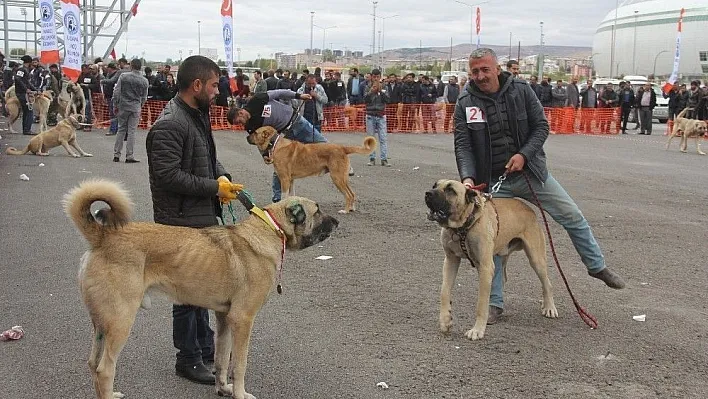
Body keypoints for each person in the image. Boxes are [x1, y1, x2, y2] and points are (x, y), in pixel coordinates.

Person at [453, 48, 625, 324]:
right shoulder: (465, 101)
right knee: (490, 240)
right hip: (494, 182)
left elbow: (541, 127)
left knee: (572, 216)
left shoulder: (521, 90)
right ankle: (495, 303)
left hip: (531, 172)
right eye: (475, 71)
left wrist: (524, 155)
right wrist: (468, 179)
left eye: (485, 69)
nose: (480, 76)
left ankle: (597, 266)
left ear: (497, 68)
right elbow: (463, 145)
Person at [146, 55, 242, 385]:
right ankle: (187, 359)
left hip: (199, 216)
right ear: (197, 85)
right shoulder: (172, 122)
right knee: (186, 296)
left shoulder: (195, 115)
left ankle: (203, 350)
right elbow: (168, 175)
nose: (219, 91)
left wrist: (223, 177)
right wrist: (214, 187)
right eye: (215, 85)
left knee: (201, 288)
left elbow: (206, 158)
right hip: (180, 221)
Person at [113, 58, 149, 163]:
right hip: (136, 107)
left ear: (131, 66)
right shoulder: (144, 81)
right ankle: (129, 155)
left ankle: (116, 154)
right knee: (132, 131)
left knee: (121, 130)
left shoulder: (124, 77)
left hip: (123, 105)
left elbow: (117, 91)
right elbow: (144, 97)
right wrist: (140, 105)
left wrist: (116, 104)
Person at [364, 78, 390, 166]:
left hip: (381, 115)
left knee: (383, 138)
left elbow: (388, 100)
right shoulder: (367, 87)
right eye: (374, 76)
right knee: (371, 138)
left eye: (377, 76)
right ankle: (372, 158)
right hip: (370, 115)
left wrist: (381, 92)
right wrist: (371, 91)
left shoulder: (385, 87)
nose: (375, 78)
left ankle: (384, 159)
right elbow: (365, 100)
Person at [14, 55, 38, 135]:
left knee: (26, 111)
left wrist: (35, 90)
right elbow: (18, 78)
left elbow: (27, 82)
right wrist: (26, 89)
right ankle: (27, 130)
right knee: (29, 110)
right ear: (29, 62)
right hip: (22, 93)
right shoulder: (22, 69)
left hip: (22, 92)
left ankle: (26, 129)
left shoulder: (25, 69)